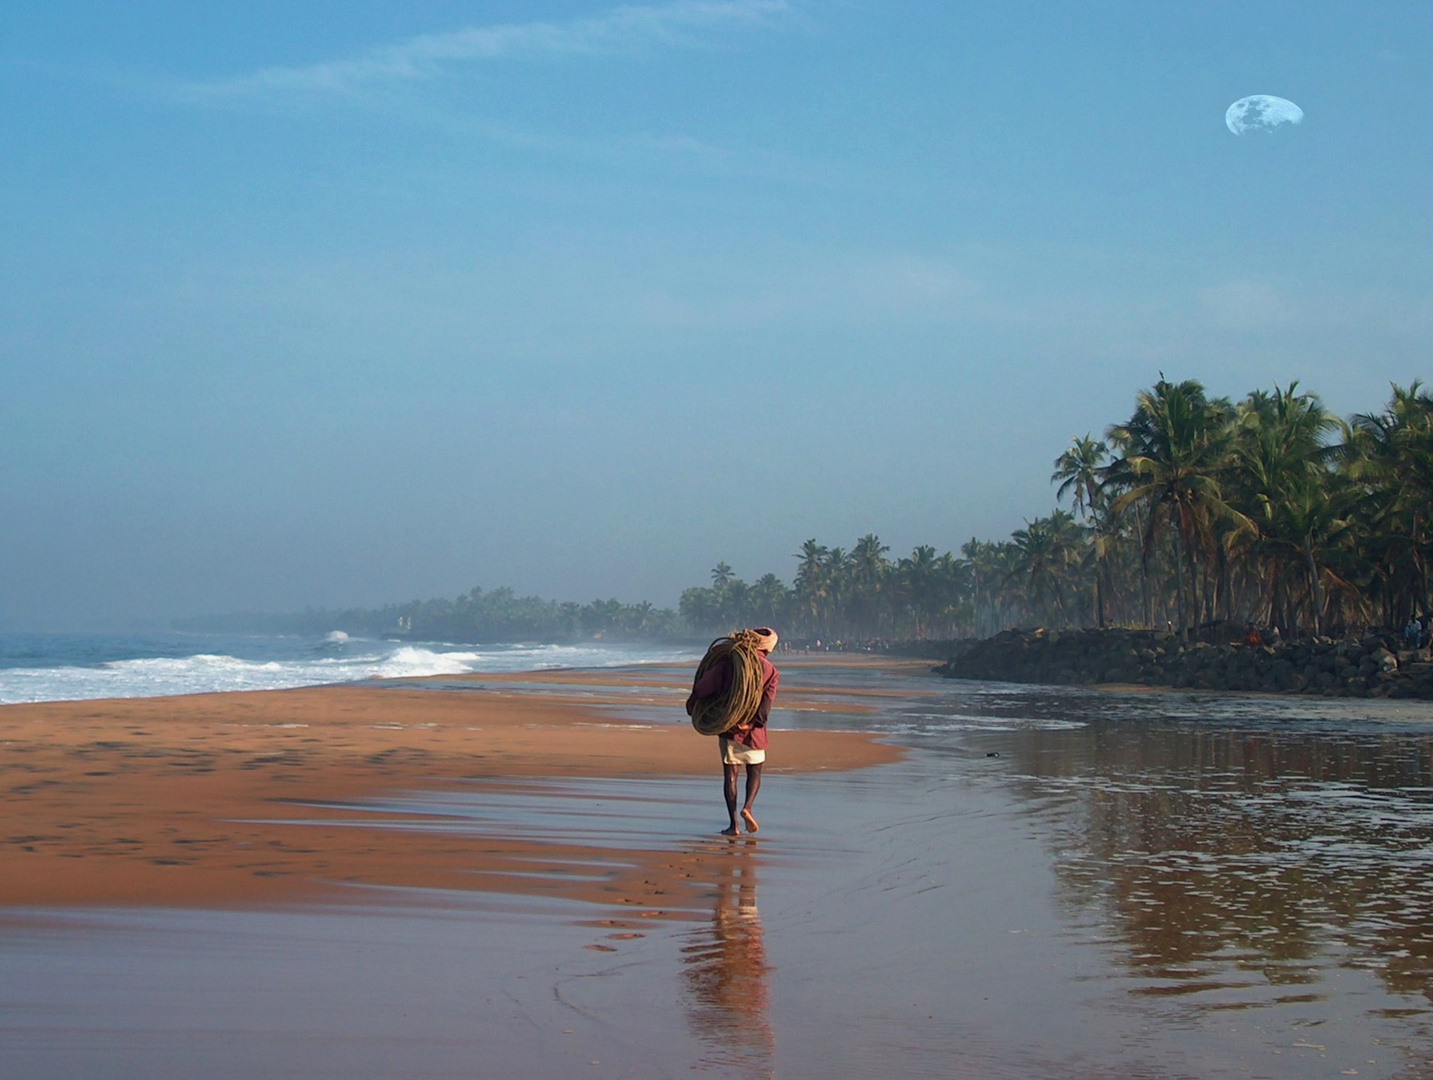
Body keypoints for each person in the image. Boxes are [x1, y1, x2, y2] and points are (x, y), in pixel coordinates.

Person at [686, 627, 780, 836]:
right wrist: (751, 724)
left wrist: (694, 700)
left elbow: (704, 686)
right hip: (754, 730)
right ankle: (748, 807)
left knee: (731, 774)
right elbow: (766, 705)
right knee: (755, 770)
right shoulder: (771, 671)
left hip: (729, 725)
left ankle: (734, 825)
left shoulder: (729, 661)